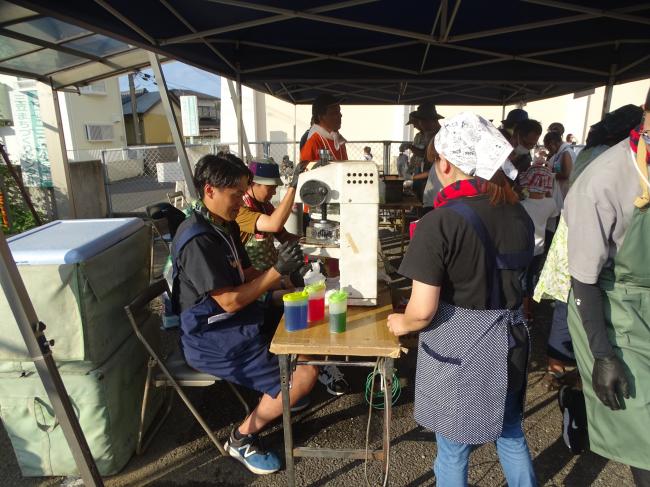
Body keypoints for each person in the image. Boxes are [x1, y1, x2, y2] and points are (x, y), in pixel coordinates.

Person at [388, 112, 536, 486]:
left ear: (445, 163)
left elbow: (422, 311)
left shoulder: (441, 221)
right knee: (511, 434)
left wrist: (400, 323)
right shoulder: (518, 212)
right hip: (512, 340)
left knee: (453, 451)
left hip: (463, 350)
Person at [171, 154, 318, 475]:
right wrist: (277, 271)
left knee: (302, 322)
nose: (242, 200)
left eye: (243, 191)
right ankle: (241, 438)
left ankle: (284, 394)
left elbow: (246, 272)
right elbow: (229, 302)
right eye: (236, 194)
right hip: (212, 337)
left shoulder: (222, 224)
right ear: (210, 190)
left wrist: (285, 273)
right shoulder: (198, 238)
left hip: (237, 320)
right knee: (304, 375)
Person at [564, 90, 650, 486]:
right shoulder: (603, 179)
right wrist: (603, 354)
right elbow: (583, 278)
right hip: (615, 310)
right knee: (644, 427)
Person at [236, 159, 350, 395]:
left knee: (317, 296)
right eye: (269, 186)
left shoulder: (264, 206)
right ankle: (309, 365)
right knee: (305, 304)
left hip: (270, 275)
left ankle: (318, 359)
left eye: (277, 187)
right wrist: (293, 187)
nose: (273, 191)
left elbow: (285, 235)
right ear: (251, 184)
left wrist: (322, 242)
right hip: (253, 287)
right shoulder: (242, 211)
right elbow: (275, 223)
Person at [518, 162, 560, 322]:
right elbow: (553, 215)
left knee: (521, 280)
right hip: (539, 248)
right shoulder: (551, 204)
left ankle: (523, 313)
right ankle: (530, 311)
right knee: (532, 278)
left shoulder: (522, 205)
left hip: (524, 248)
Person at [408, 102, 444, 206]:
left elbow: (437, 169)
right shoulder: (431, 135)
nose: (420, 125)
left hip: (439, 189)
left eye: (420, 122)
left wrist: (412, 178)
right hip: (430, 185)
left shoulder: (441, 138)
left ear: (429, 121)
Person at [300, 95, 347, 162]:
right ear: (320, 117)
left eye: (339, 111)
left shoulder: (338, 140)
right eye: (334, 112)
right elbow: (305, 170)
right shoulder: (314, 141)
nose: (340, 115)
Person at [544, 131, 575, 197]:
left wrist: (549, 175)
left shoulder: (566, 153)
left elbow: (566, 174)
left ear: (552, 143)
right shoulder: (560, 153)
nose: (549, 151)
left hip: (565, 189)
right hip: (560, 189)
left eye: (549, 148)